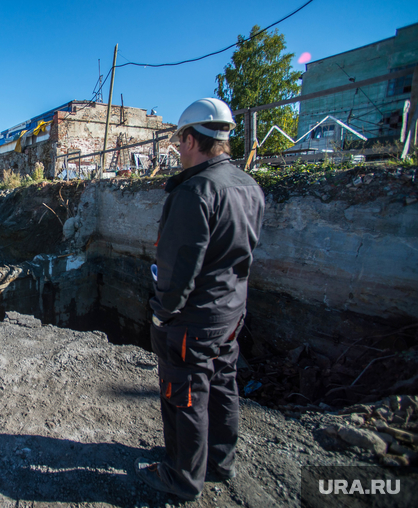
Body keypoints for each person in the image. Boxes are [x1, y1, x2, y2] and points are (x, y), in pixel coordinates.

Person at [134, 98, 265, 500]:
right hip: (230, 311)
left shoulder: (196, 191)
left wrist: (162, 314)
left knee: (184, 392)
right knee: (224, 382)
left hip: (193, 318)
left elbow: (178, 267)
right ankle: (219, 463)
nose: (177, 148)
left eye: (179, 140)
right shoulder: (248, 186)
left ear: (192, 139)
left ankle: (181, 477)